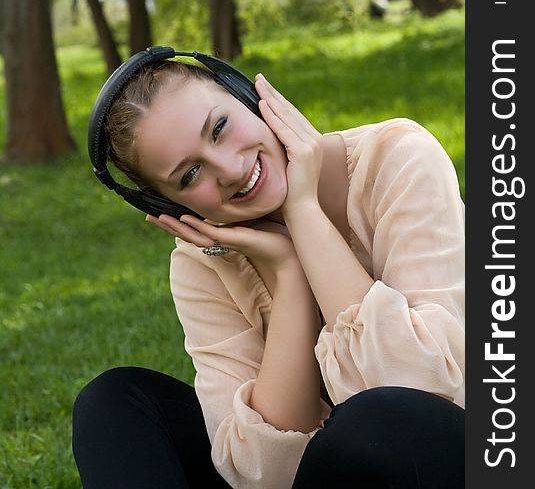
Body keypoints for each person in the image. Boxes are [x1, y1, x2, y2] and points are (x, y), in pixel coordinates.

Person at [72, 59, 465, 489]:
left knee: (377, 420)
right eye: (189, 174)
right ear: (170, 207)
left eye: (219, 128)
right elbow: (264, 476)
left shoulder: (397, 159)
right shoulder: (201, 261)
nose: (231, 169)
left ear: (251, 98)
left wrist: (304, 211)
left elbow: (416, 392)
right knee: (113, 403)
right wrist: (290, 272)